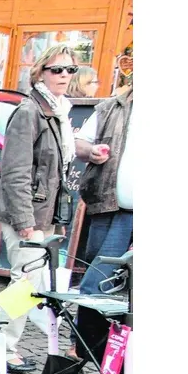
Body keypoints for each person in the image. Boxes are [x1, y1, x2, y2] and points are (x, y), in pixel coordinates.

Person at [0, 44, 78, 373]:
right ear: (40, 72)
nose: (64, 75)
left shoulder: (58, 111)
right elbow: (15, 171)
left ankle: (0, 340)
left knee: (29, 282)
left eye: (70, 70)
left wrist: (58, 219)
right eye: (57, 69)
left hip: (45, 213)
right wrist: (26, 222)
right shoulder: (30, 112)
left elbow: (58, 172)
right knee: (24, 282)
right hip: (23, 212)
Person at [74, 82, 132, 296]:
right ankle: (87, 328)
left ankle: (84, 329)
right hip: (104, 204)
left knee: (98, 279)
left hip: (130, 213)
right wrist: (91, 151)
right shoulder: (109, 109)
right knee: (96, 269)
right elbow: (79, 145)